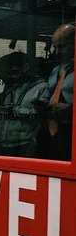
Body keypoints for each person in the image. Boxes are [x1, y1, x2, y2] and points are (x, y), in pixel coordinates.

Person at [0, 52, 47, 157]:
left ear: (26, 67)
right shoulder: (12, 89)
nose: (13, 77)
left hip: (26, 143)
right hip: (6, 144)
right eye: (11, 74)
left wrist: (15, 111)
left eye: (16, 72)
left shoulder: (41, 88)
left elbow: (43, 116)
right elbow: (3, 119)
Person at [36, 24, 74, 161]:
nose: (57, 51)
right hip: (51, 130)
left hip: (70, 130)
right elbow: (45, 96)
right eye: (55, 46)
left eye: (62, 46)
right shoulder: (56, 70)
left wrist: (70, 110)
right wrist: (41, 107)